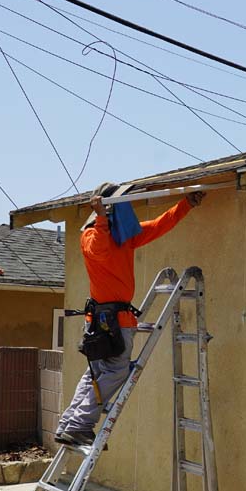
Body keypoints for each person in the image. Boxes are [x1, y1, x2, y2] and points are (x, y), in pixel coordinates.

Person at [54, 182, 205, 448]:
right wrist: (101, 217)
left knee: (96, 374)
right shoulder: (92, 234)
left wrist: (186, 205)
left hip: (108, 321)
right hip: (109, 322)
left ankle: (70, 424)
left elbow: (159, 225)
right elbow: (98, 250)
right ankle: (78, 425)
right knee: (115, 371)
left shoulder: (122, 236)